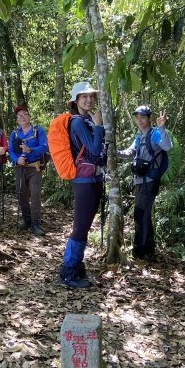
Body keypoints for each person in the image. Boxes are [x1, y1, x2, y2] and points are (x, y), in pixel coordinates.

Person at [60, 81, 107, 289]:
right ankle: (68, 272)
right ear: (75, 100)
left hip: (93, 178)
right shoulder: (78, 122)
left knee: (85, 227)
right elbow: (95, 150)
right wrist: (98, 126)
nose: (89, 99)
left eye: (91, 96)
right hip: (84, 180)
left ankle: (77, 266)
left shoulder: (86, 119)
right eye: (84, 96)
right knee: (80, 228)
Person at [118, 105, 172, 259]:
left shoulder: (155, 134)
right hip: (140, 182)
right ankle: (149, 249)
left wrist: (162, 128)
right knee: (145, 215)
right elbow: (129, 152)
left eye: (143, 117)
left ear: (149, 118)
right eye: (138, 117)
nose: (140, 120)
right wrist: (113, 151)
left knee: (140, 215)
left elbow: (167, 146)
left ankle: (138, 252)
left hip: (150, 181)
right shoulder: (139, 137)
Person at [8, 105, 48, 236]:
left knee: (35, 196)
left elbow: (45, 146)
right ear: (17, 119)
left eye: (25, 114)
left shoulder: (38, 130)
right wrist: (16, 159)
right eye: (19, 116)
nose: (22, 117)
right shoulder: (14, 133)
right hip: (20, 168)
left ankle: (35, 224)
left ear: (29, 116)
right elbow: (11, 150)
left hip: (35, 167)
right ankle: (26, 220)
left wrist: (31, 150)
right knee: (21, 195)